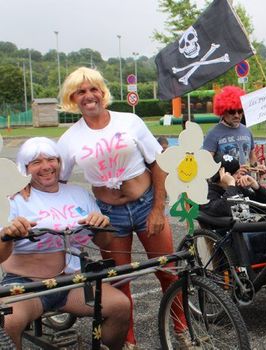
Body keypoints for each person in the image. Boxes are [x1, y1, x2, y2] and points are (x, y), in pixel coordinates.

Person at [56, 67, 177, 348]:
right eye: (81, 92)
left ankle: (181, 332)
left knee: (168, 271)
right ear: (73, 98)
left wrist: (158, 208)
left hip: (146, 204)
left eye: (93, 89)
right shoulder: (69, 139)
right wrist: (27, 187)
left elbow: (158, 163)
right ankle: (129, 342)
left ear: (102, 92)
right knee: (120, 282)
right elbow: (56, 180)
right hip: (110, 215)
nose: (88, 96)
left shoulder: (129, 121)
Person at [1, 137, 130, 350]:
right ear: (25, 168)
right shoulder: (13, 199)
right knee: (8, 323)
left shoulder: (78, 193)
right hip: (28, 285)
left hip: (72, 282)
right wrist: (7, 235)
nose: (46, 167)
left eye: (51, 159)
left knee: (120, 306)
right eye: (36, 162)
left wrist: (101, 225)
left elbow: (104, 242)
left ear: (60, 163)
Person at [199, 153, 266, 274]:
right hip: (230, 240)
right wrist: (230, 185)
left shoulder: (235, 188)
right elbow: (224, 208)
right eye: (235, 174)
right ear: (223, 175)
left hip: (245, 231)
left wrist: (255, 186)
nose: (239, 176)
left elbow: (265, 202)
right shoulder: (208, 193)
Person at [203, 86, 258, 168]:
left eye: (239, 111)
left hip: (247, 180)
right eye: (232, 111)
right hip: (225, 180)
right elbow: (207, 164)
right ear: (223, 111)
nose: (236, 115)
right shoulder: (213, 133)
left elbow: (252, 157)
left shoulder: (247, 131)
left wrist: (257, 168)